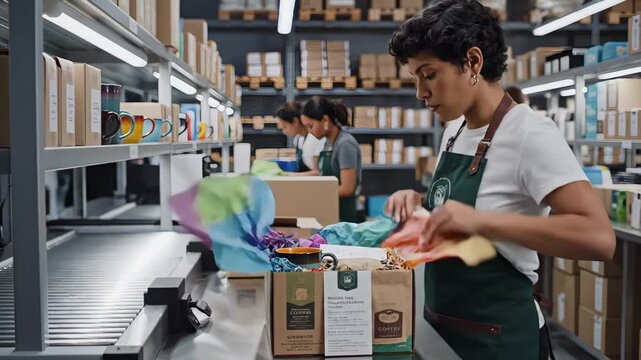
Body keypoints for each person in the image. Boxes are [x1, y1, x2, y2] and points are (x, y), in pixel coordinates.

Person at [385, 1, 615, 359]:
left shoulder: (530, 133)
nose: (420, 92)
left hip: (500, 341)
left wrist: (481, 221)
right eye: (415, 77)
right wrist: (419, 202)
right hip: (444, 330)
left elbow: (599, 238)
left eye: (428, 75)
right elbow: (462, 211)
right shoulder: (454, 130)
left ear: (473, 63)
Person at [301, 96, 362, 222]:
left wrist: (316, 194)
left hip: (346, 216)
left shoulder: (345, 144)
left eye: (311, 126)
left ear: (325, 120)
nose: (309, 132)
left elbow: (347, 188)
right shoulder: (328, 143)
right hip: (333, 211)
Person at [276, 101, 325, 173]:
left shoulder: (314, 139)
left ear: (295, 121)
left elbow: (317, 172)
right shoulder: (298, 139)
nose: (284, 132)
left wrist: (287, 176)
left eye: (285, 127)